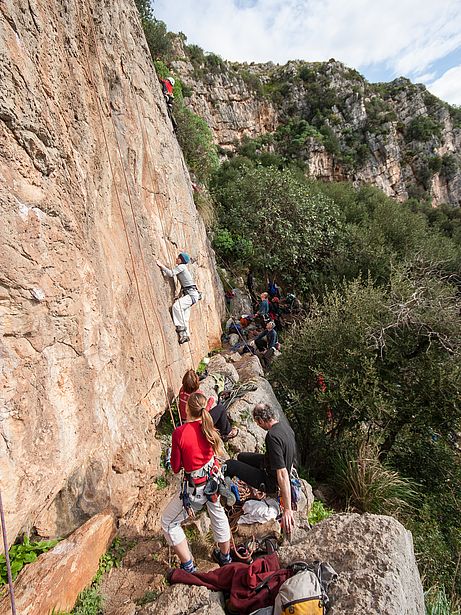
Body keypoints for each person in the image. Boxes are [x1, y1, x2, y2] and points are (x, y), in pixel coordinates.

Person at [161, 392, 233, 571]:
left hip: (197, 489)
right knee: (218, 514)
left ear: (187, 409)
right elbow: (215, 409)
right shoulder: (207, 424)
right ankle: (225, 557)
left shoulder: (180, 433)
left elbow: (177, 468)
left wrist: (170, 457)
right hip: (213, 481)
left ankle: (188, 566)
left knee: (168, 522)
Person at [224, 403, 297, 535]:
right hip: (268, 465)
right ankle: (252, 492)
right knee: (241, 457)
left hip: (270, 481)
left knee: (230, 464)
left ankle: (227, 497)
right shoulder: (286, 428)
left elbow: (282, 473)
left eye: (257, 422)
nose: (258, 425)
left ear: (261, 420)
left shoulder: (272, 437)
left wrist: (287, 509)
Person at [179, 369, 239, 441]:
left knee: (216, 412)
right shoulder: (197, 396)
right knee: (220, 408)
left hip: (185, 421)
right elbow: (203, 412)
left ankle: (220, 429)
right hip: (198, 425)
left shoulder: (181, 390)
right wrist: (210, 401)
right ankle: (227, 432)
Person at [157, 252, 201, 344]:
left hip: (191, 294)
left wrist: (161, 265)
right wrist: (179, 295)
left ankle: (181, 329)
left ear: (181, 260)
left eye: (178, 257)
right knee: (184, 316)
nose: (176, 258)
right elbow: (185, 284)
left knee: (176, 307)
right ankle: (186, 335)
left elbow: (171, 273)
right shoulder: (183, 268)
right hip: (192, 294)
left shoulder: (182, 267)